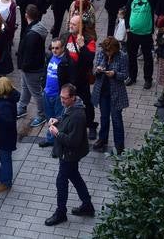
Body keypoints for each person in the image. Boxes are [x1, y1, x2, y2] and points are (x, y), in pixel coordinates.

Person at [44, 82, 94, 226]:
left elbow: (73, 141)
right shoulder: (71, 107)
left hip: (69, 154)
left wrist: (57, 133)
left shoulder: (78, 115)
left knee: (61, 181)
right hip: (68, 154)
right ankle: (87, 205)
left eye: (64, 98)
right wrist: (58, 120)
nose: (62, 101)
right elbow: (66, 117)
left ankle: (61, 213)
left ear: (73, 97)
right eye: (61, 97)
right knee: (75, 177)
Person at [91, 36, 128, 153]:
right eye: (106, 51)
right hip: (103, 92)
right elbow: (94, 71)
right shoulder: (101, 54)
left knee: (116, 119)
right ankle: (102, 139)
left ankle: (119, 145)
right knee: (104, 117)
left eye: (109, 51)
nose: (107, 53)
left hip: (116, 93)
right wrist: (98, 70)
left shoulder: (122, 56)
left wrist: (115, 74)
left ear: (115, 49)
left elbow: (125, 75)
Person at [62, 14, 96, 139]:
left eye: (74, 24)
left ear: (81, 27)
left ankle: (91, 125)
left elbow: (89, 59)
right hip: (68, 77)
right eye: (70, 23)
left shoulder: (88, 40)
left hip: (81, 78)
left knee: (86, 103)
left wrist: (82, 46)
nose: (70, 25)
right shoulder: (66, 36)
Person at [16, 3, 48, 126]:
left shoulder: (31, 34)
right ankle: (22, 107)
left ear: (26, 15)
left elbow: (28, 53)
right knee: (25, 88)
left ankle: (42, 114)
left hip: (31, 69)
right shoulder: (37, 28)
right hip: (32, 67)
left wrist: (24, 66)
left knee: (36, 92)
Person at [38, 37, 72, 148]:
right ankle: (50, 138)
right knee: (49, 118)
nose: (54, 50)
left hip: (59, 95)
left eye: (57, 48)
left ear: (63, 48)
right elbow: (45, 71)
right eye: (52, 48)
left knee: (58, 119)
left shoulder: (67, 61)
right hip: (47, 93)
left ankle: (58, 142)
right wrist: (43, 83)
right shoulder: (49, 57)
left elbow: (71, 78)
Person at [125, 0, 158, 89]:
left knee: (148, 58)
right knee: (131, 57)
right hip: (132, 34)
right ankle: (132, 76)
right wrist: (127, 28)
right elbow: (127, 14)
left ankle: (148, 79)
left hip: (146, 34)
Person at [0, 76, 20, 193]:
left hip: (4, 137)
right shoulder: (7, 99)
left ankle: (6, 182)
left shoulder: (5, 104)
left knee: (5, 159)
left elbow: (8, 121)